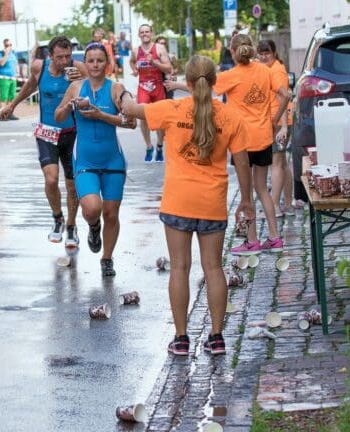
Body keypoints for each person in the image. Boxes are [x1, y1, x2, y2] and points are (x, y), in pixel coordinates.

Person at [121, 55, 254, 356]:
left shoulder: (171, 109)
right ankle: (217, 338)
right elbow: (242, 163)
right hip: (212, 203)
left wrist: (123, 91)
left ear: (189, 83)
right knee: (214, 268)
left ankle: (181, 338)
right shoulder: (231, 117)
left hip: (178, 201)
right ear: (215, 81)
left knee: (179, 269)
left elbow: (131, 109)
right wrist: (246, 200)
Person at [54, 42, 136, 277]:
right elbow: (58, 116)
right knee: (92, 208)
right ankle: (93, 226)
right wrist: (70, 106)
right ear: (85, 63)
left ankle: (107, 258)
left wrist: (101, 115)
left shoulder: (115, 88)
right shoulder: (76, 88)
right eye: (91, 60)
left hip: (113, 161)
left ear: (107, 64)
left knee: (111, 212)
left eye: (100, 60)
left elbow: (131, 123)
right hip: (85, 161)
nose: (95, 65)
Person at [0, 36, 88, 247]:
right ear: (50, 56)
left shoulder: (78, 69)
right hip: (47, 132)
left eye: (67, 56)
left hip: (72, 132)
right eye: (59, 57)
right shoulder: (39, 67)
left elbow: (99, 84)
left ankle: (71, 226)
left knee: (71, 185)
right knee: (50, 179)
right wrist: (12, 106)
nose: (64, 61)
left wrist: (82, 81)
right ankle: (57, 218)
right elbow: (29, 87)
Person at [212, 34, 289, 256]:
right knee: (262, 188)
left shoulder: (231, 75)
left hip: (241, 142)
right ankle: (275, 237)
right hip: (263, 137)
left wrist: (177, 83)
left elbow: (203, 89)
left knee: (246, 192)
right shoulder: (265, 70)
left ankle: (252, 240)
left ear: (233, 51)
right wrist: (274, 119)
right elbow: (286, 94)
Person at [257, 39, 292, 216]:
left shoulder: (276, 71)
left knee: (276, 164)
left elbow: (283, 100)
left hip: (278, 122)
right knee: (283, 163)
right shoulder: (272, 68)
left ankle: (275, 206)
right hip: (277, 121)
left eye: (267, 53)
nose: (263, 57)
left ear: (274, 53)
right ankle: (288, 204)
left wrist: (283, 126)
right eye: (261, 54)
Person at [129, 24, 172, 163]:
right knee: (143, 116)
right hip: (143, 87)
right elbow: (131, 62)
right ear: (139, 35)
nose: (145, 34)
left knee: (160, 119)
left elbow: (169, 68)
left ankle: (159, 146)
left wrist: (154, 62)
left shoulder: (159, 48)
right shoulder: (136, 51)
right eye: (142, 32)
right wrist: (135, 70)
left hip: (157, 86)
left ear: (151, 33)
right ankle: (148, 146)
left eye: (147, 31)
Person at [0, 39, 19, 117]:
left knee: (12, 97)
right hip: (4, 78)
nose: (8, 47)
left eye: (10, 45)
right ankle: (2, 114)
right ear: (4, 45)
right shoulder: (0, 54)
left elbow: (16, 63)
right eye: (7, 45)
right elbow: (1, 63)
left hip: (13, 78)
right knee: (4, 97)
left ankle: (9, 114)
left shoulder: (13, 53)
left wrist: (17, 72)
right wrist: (6, 54)